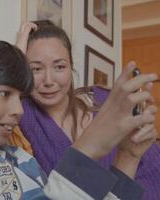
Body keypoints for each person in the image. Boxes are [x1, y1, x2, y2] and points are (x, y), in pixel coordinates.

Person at [0, 39, 157, 199]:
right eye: (5, 93)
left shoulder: (21, 158)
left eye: (21, 97)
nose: (19, 110)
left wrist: (129, 156)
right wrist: (88, 147)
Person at [11, 20, 160, 199]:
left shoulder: (103, 98)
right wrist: (15, 58)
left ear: (71, 67)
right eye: (35, 69)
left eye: (59, 66)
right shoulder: (23, 114)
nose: (49, 80)